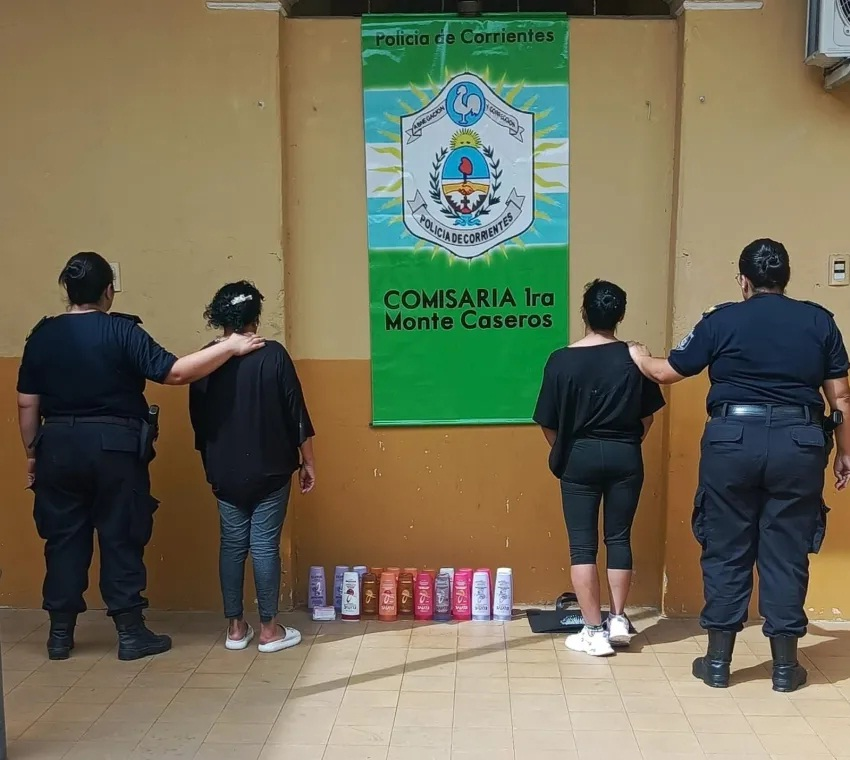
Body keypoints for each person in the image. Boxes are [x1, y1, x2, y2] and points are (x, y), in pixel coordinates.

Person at [17, 252, 265, 661]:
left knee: (62, 540)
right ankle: (130, 634)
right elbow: (176, 372)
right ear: (108, 291)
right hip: (114, 450)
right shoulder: (122, 332)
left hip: (56, 449)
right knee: (121, 536)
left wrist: (32, 456)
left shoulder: (42, 336)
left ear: (68, 291)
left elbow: (28, 405)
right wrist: (232, 347)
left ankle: (59, 635)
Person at [629, 238, 850, 692]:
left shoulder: (722, 319)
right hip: (799, 442)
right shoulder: (819, 321)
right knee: (787, 550)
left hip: (732, 441)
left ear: (744, 281)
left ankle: (717, 662)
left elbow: (668, 371)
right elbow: (841, 398)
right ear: (785, 279)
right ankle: (786, 669)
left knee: (726, 546)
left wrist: (636, 355)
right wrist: (846, 453)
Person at [533, 280, 666, 657]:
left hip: (578, 457)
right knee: (619, 538)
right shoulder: (634, 357)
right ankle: (619, 619)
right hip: (626, 455)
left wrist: (564, 450)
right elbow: (648, 419)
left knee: (583, 546)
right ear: (619, 316)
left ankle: (593, 630)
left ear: (584, 314)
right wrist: (626, 443)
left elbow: (547, 421)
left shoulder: (560, 360)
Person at [189, 281, 316, 653]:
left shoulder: (203, 361)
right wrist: (308, 461)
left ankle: (234, 629)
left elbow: (199, 423)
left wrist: (211, 467)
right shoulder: (274, 355)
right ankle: (269, 631)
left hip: (223, 472)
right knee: (263, 545)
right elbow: (297, 415)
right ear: (254, 319)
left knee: (231, 544)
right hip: (271, 470)